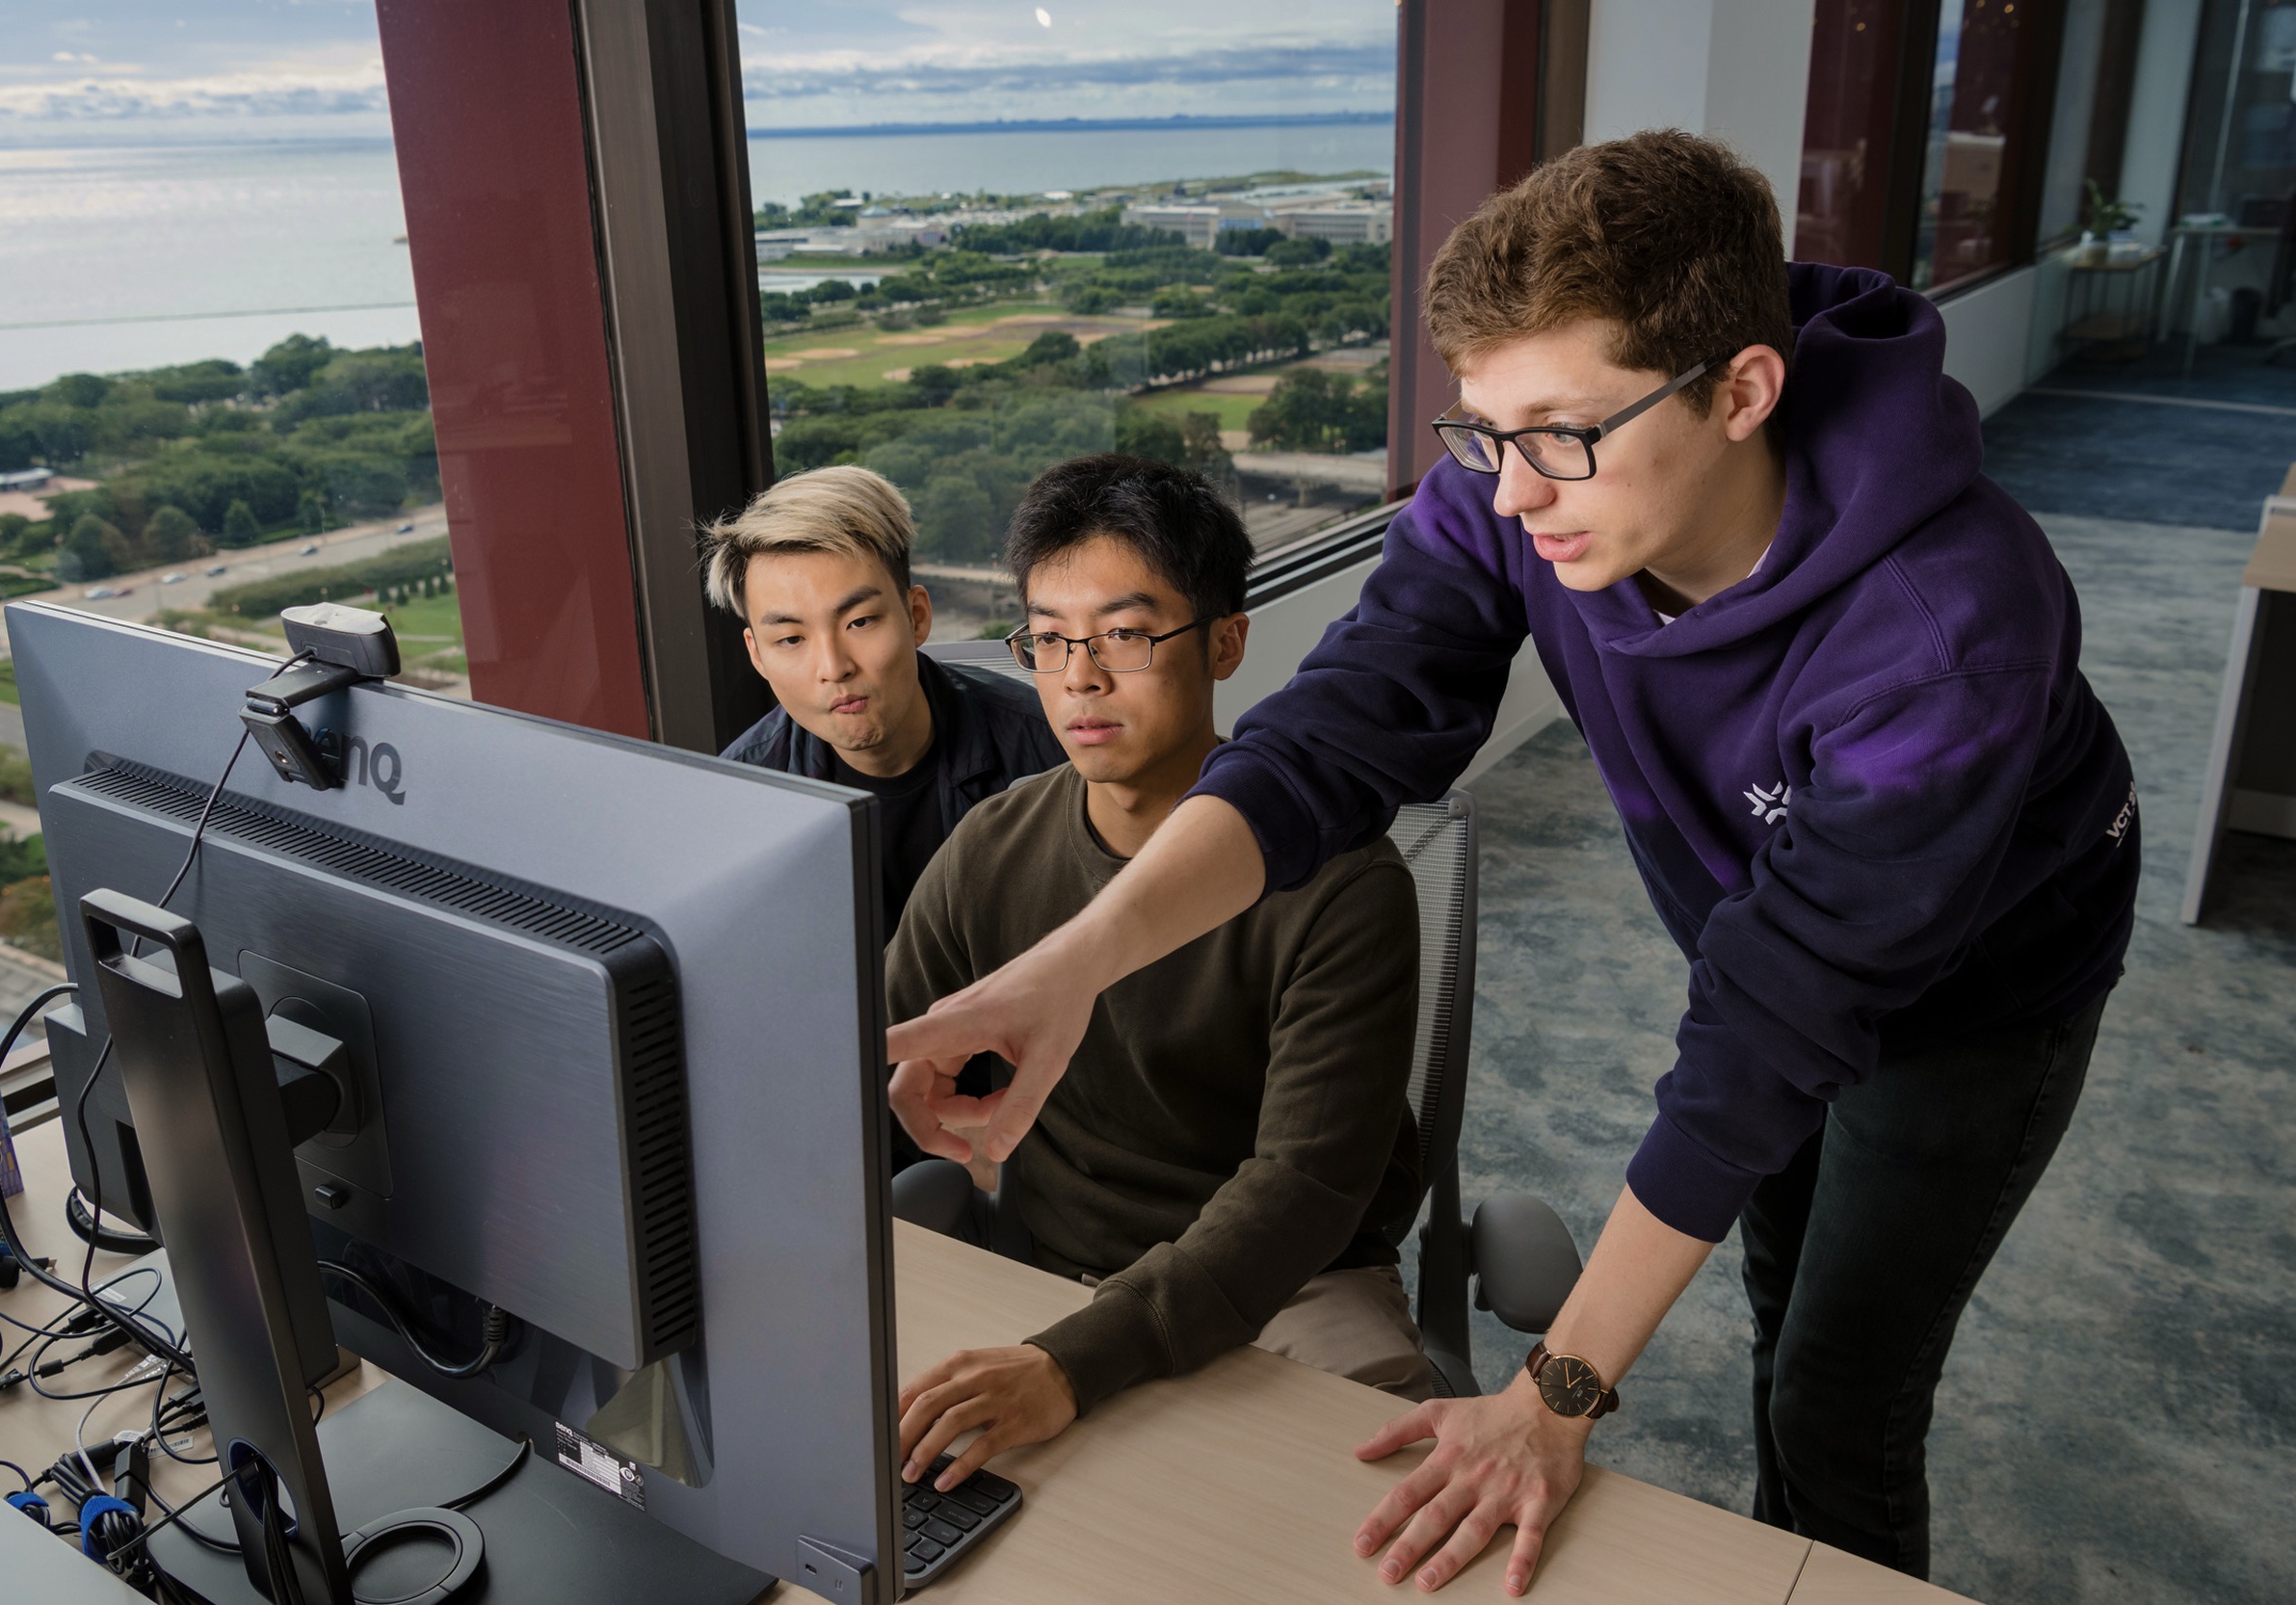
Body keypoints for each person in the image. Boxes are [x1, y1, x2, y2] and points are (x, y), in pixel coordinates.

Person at [884, 132, 2139, 1594]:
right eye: (1479, 430)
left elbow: (1768, 1030)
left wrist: (1559, 1390)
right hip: (1769, 917)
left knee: (1840, 1388)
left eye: (1560, 431)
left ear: (1741, 390)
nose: (1514, 489)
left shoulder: (1945, 631)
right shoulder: (1525, 482)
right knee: (1778, 1276)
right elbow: (1329, 746)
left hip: (1984, 991)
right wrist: (1068, 975)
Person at [890, 455, 1433, 1498]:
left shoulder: (1344, 880)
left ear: (1225, 641)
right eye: (1048, 640)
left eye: (1125, 636)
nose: (1078, 678)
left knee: (1367, 1528)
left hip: (1293, 1285)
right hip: (1055, 1274)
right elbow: (877, 1040)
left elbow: (1305, 1189)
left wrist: (1080, 1356)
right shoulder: (993, 844)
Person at [705, 465, 1063, 930]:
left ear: (916, 616)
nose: (834, 668)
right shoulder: (740, 799)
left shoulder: (1049, 746)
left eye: (859, 623)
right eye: (791, 639)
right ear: (757, 655)